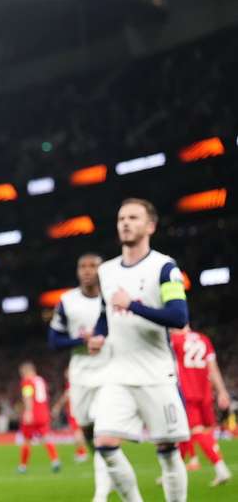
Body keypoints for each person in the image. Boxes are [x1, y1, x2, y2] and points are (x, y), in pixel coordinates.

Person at [89, 198, 190, 502]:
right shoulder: (106, 271)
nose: (125, 223)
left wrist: (132, 304)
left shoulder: (165, 267)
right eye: (121, 218)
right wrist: (98, 336)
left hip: (156, 373)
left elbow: (178, 317)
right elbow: (106, 315)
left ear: (150, 226)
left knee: (168, 452)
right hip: (117, 373)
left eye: (133, 218)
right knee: (104, 444)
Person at [48, 253, 112, 500]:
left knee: (104, 433)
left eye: (93, 266)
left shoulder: (112, 297)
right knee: (87, 429)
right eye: (82, 266)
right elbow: (54, 342)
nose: (87, 271)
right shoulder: (67, 301)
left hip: (109, 371)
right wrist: (80, 341)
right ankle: (110, 469)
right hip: (80, 374)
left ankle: (101, 493)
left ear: (102, 270)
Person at [169, 326, 232, 485]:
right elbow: (213, 368)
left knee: (194, 431)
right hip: (205, 391)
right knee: (190, 432)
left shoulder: (174, 340)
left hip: (186, 391)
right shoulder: (203, 339)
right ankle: (172, 472)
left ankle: (220, 468)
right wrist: (222, 391)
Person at [16, 362, 60, 474]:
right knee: (46, 437)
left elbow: (28, 396)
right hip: (44, 413)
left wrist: (28, 411)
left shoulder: (27, 381)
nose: (22, 375)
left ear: (26, 371)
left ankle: (23, 466)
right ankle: (55, 460)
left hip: (33, 413)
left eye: (22, 373)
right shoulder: (40, 380)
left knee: (26, 440)